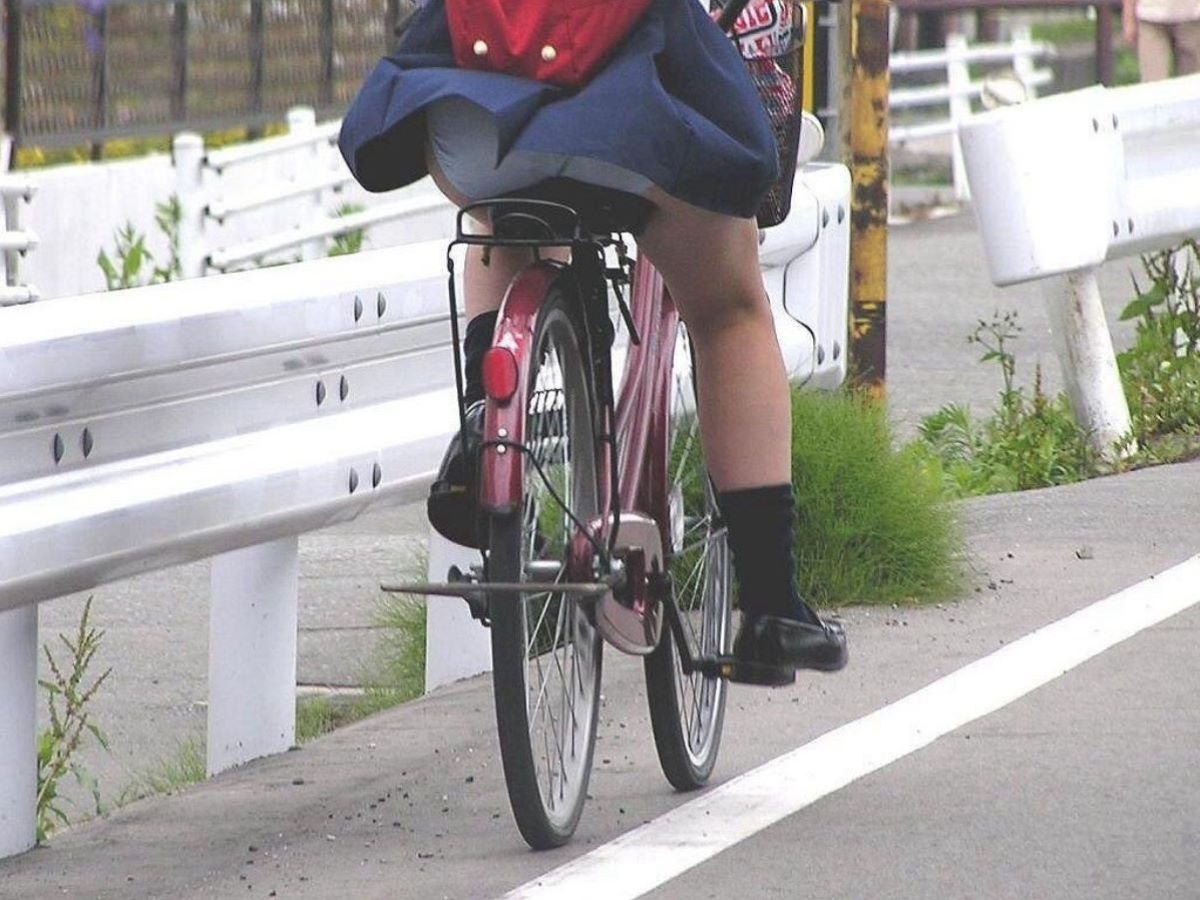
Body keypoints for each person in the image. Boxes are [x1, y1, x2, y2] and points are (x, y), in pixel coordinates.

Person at [338, 0, 847, 680]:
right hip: (636, 122)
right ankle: (773, 608)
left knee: (503, 218)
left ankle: (486, 438)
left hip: (474, 129)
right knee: (728, 311)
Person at [1123, 0, 1200, 79]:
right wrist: (1128, 18)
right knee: (1153, 82)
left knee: (1192, 84)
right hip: (1149, 17)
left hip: (1192, 18)